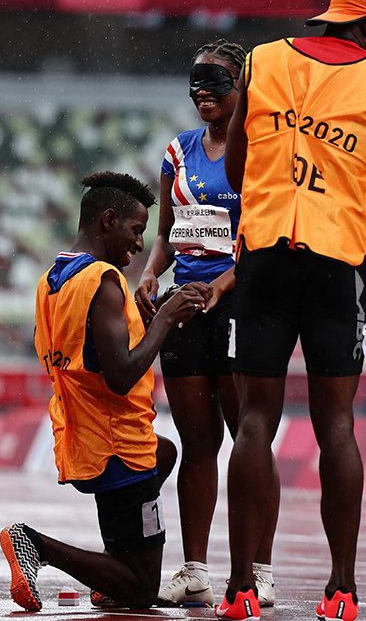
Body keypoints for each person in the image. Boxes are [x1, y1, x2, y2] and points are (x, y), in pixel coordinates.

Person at [218, 0, 366, 617]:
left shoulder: (261, 61)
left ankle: (241, 587)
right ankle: (342, 590)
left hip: (265, 253)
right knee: (337, 426)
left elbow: (235, 169)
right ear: (364, 24)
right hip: (336, 260)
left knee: (253, 422)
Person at [0, 172, 210, 611]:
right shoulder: (104, 281)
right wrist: (166, 319)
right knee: (138, 591)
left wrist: (141, 316)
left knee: (165, 453)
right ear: (109, 220)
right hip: (118, 445)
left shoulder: (52, 279)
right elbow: (120, 375)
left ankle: (108, 570)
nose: (139, 244)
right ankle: (36, 544)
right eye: (136, 231)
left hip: (83, 435)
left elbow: (87, 355)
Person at [135, 39, 280, 609]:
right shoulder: (178, 151)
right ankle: (194, 568)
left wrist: (225, 284)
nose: (202, 93)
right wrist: (150, 273)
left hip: (242, 302)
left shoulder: (261, 151)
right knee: (197, 442)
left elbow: (265, 234)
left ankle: (257, 570)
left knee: (250, 438)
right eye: (194, 82)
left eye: (215, 82)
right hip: (187, 306)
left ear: (242, 86)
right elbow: (169, 236)